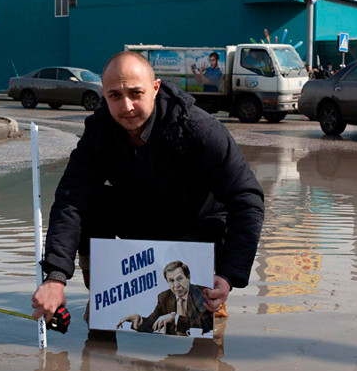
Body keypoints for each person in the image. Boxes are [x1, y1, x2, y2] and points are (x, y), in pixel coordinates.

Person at [31, 51, 265, 326]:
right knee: (90, 204)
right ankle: (103, 295)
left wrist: (228, 276)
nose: (127, 106)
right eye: (115, 96)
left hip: (197, 224)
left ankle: (212, 297)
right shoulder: (99, 132)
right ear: (103, 95)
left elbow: (247, 200)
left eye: (136, 93)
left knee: (202, 343)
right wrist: (55, 277)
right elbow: (71, 200)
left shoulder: (198, 129)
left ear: (155, 88)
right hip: (142, 217)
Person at [117, 261, 214, 335]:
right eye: (171, 281)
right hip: (172, 348)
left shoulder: (202, 293)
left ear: (188, 277)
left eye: (179, 279)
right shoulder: (164, 297)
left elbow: (208, 324)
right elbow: (152, 323)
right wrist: (139, 321)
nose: (176, 285)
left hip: (197, 349)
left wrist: (175, 319)